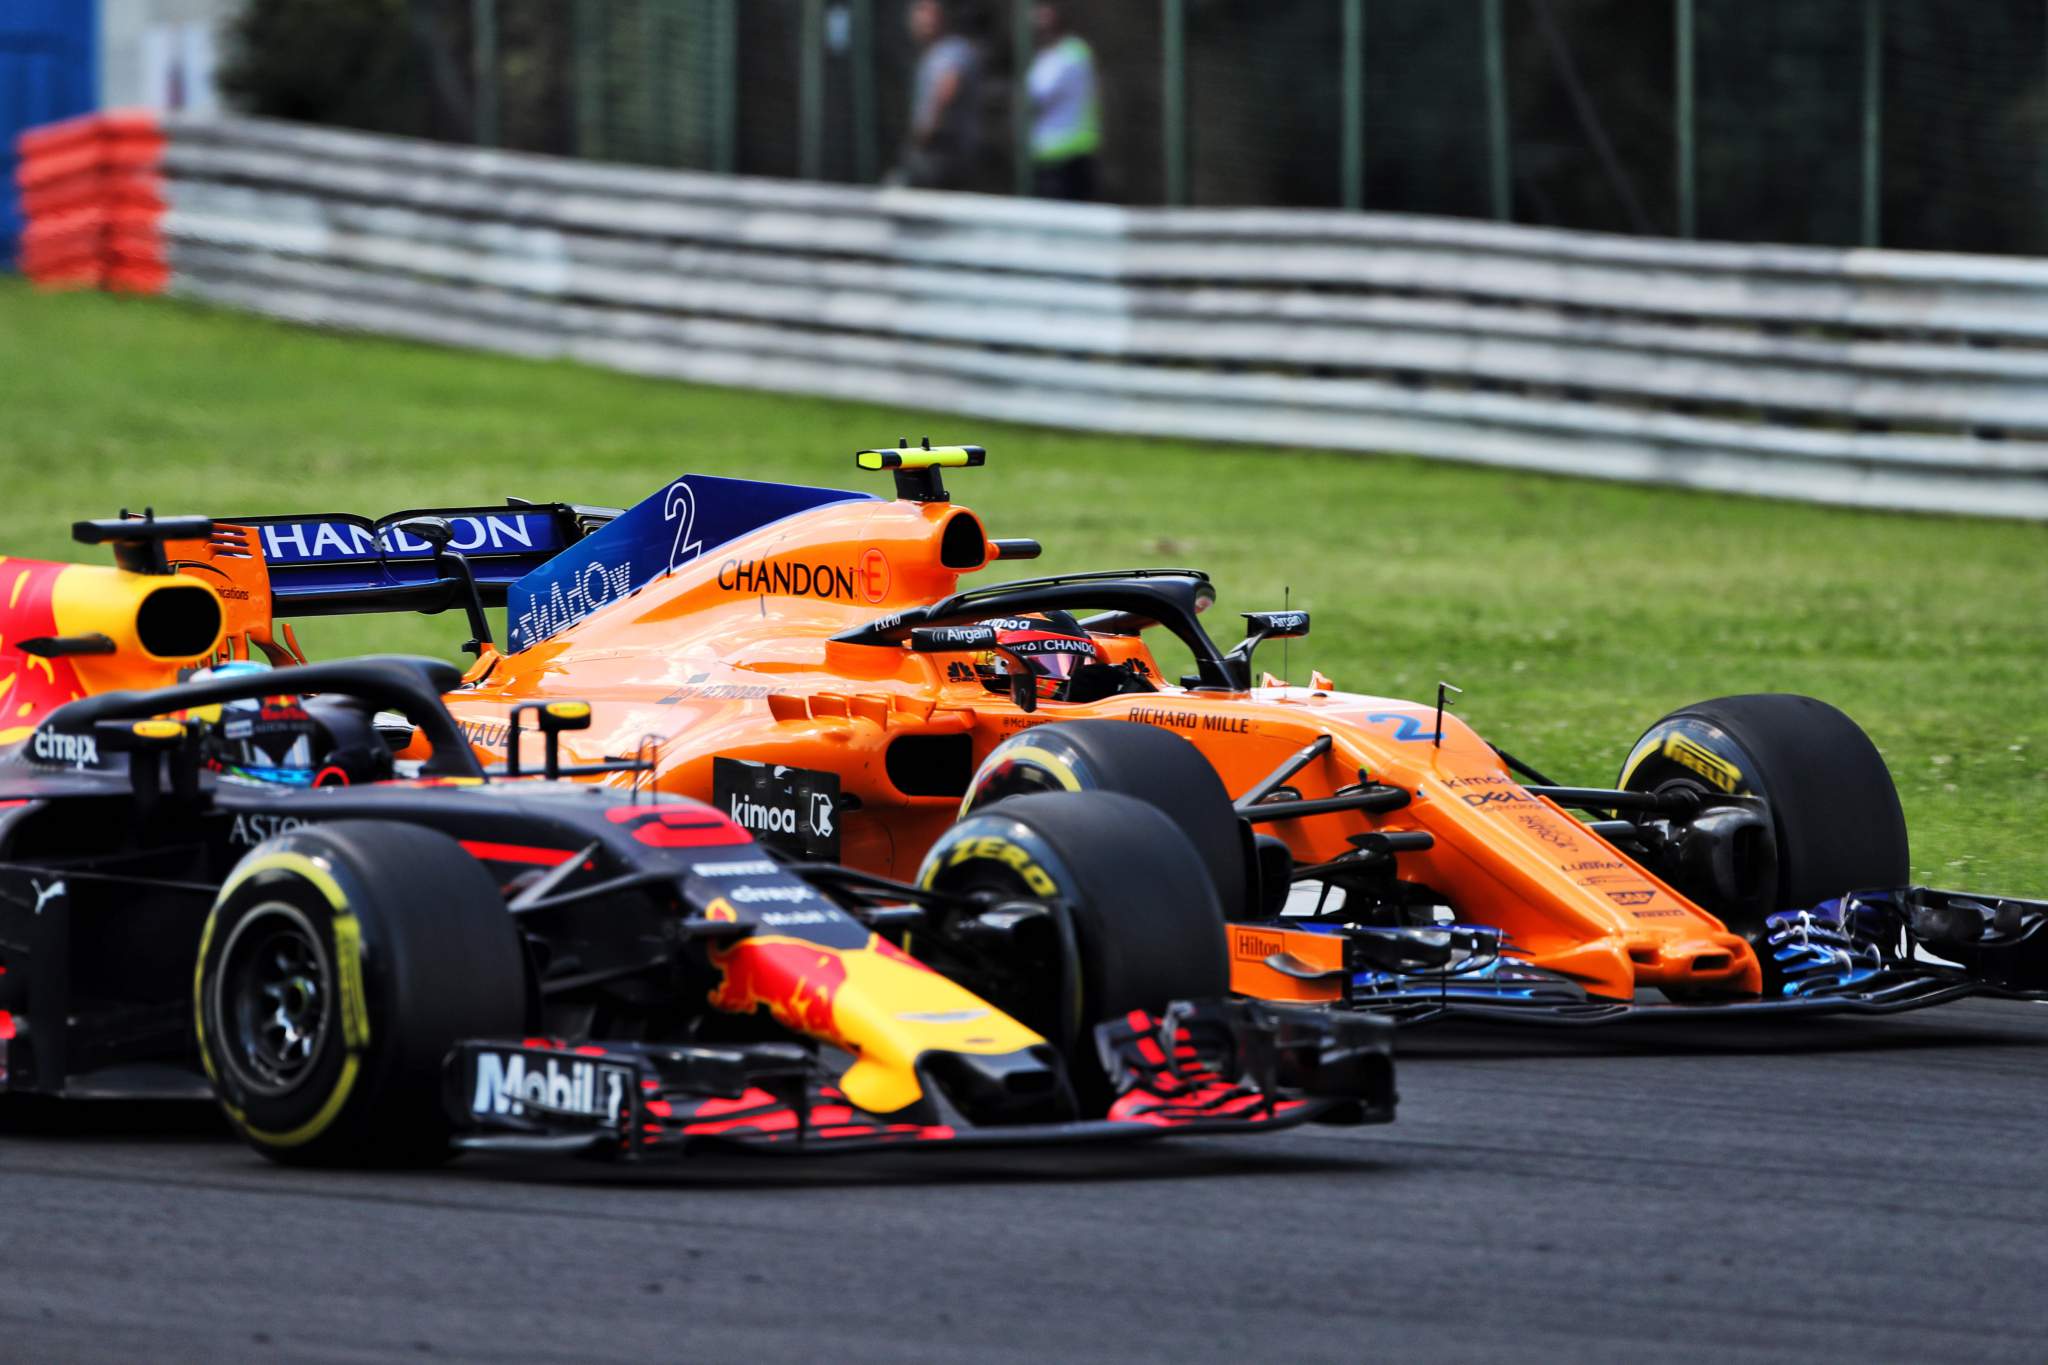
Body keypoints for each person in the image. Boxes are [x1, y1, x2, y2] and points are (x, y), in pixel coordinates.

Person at [895, 0, 981, 191]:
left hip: (942, 152)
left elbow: (948, 88)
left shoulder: (953, 50)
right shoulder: (931, 53)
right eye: (919, 12)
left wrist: (925, 133)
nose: (922, 20)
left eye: (929, 12)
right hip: (935, 150)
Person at [1026, 1, 1100, 200]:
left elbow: (1040, 93)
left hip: (1071, 153)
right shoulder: (1044, 56)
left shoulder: (1073, 51)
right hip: (1048, 152)